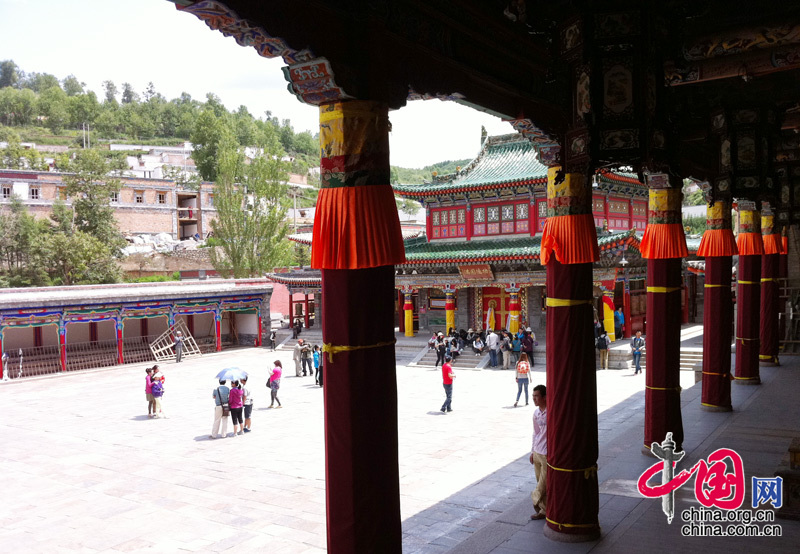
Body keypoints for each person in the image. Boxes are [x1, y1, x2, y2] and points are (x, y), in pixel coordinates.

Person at [529, 384, 547, 520]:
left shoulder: (551, 412)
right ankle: (543, 510)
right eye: (533, 396)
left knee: (543, 483)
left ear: (544, 397)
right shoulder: (536, 413)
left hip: (547, 453)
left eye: (537, 396)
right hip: (537, 452)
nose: (534, 399)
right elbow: (535, 433)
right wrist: (532, 451)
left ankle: (534, 498)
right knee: (538, 480)